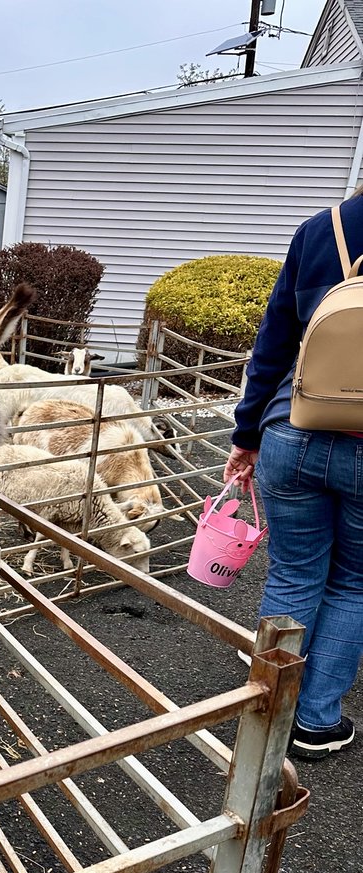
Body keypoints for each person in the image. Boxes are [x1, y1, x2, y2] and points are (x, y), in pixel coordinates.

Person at [225, 190, 363, 760]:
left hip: (292, 427)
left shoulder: (322, 229)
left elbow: (275, 340)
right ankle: (315, 722)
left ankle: (265, 704)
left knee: (293, 571)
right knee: (353, 582)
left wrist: (247, 433)